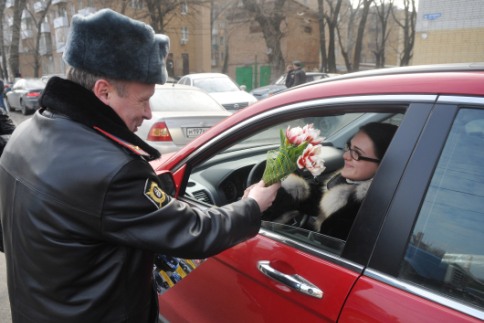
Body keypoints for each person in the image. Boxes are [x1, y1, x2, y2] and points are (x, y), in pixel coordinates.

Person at [0, 9, 279, 323]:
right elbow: (195, 232)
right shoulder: (112, 171)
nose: (148, 113)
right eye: (143, 99)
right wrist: (253, 204)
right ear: (103, 91)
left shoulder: (25, 135)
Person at [268, 122, 397, 240]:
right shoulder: (350, 183)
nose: (345, 156)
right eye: (349, 147)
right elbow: (323, 201)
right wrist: (293, 189)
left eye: (356, 153)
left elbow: (328, 237)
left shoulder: (365, 212)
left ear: (383, 165)